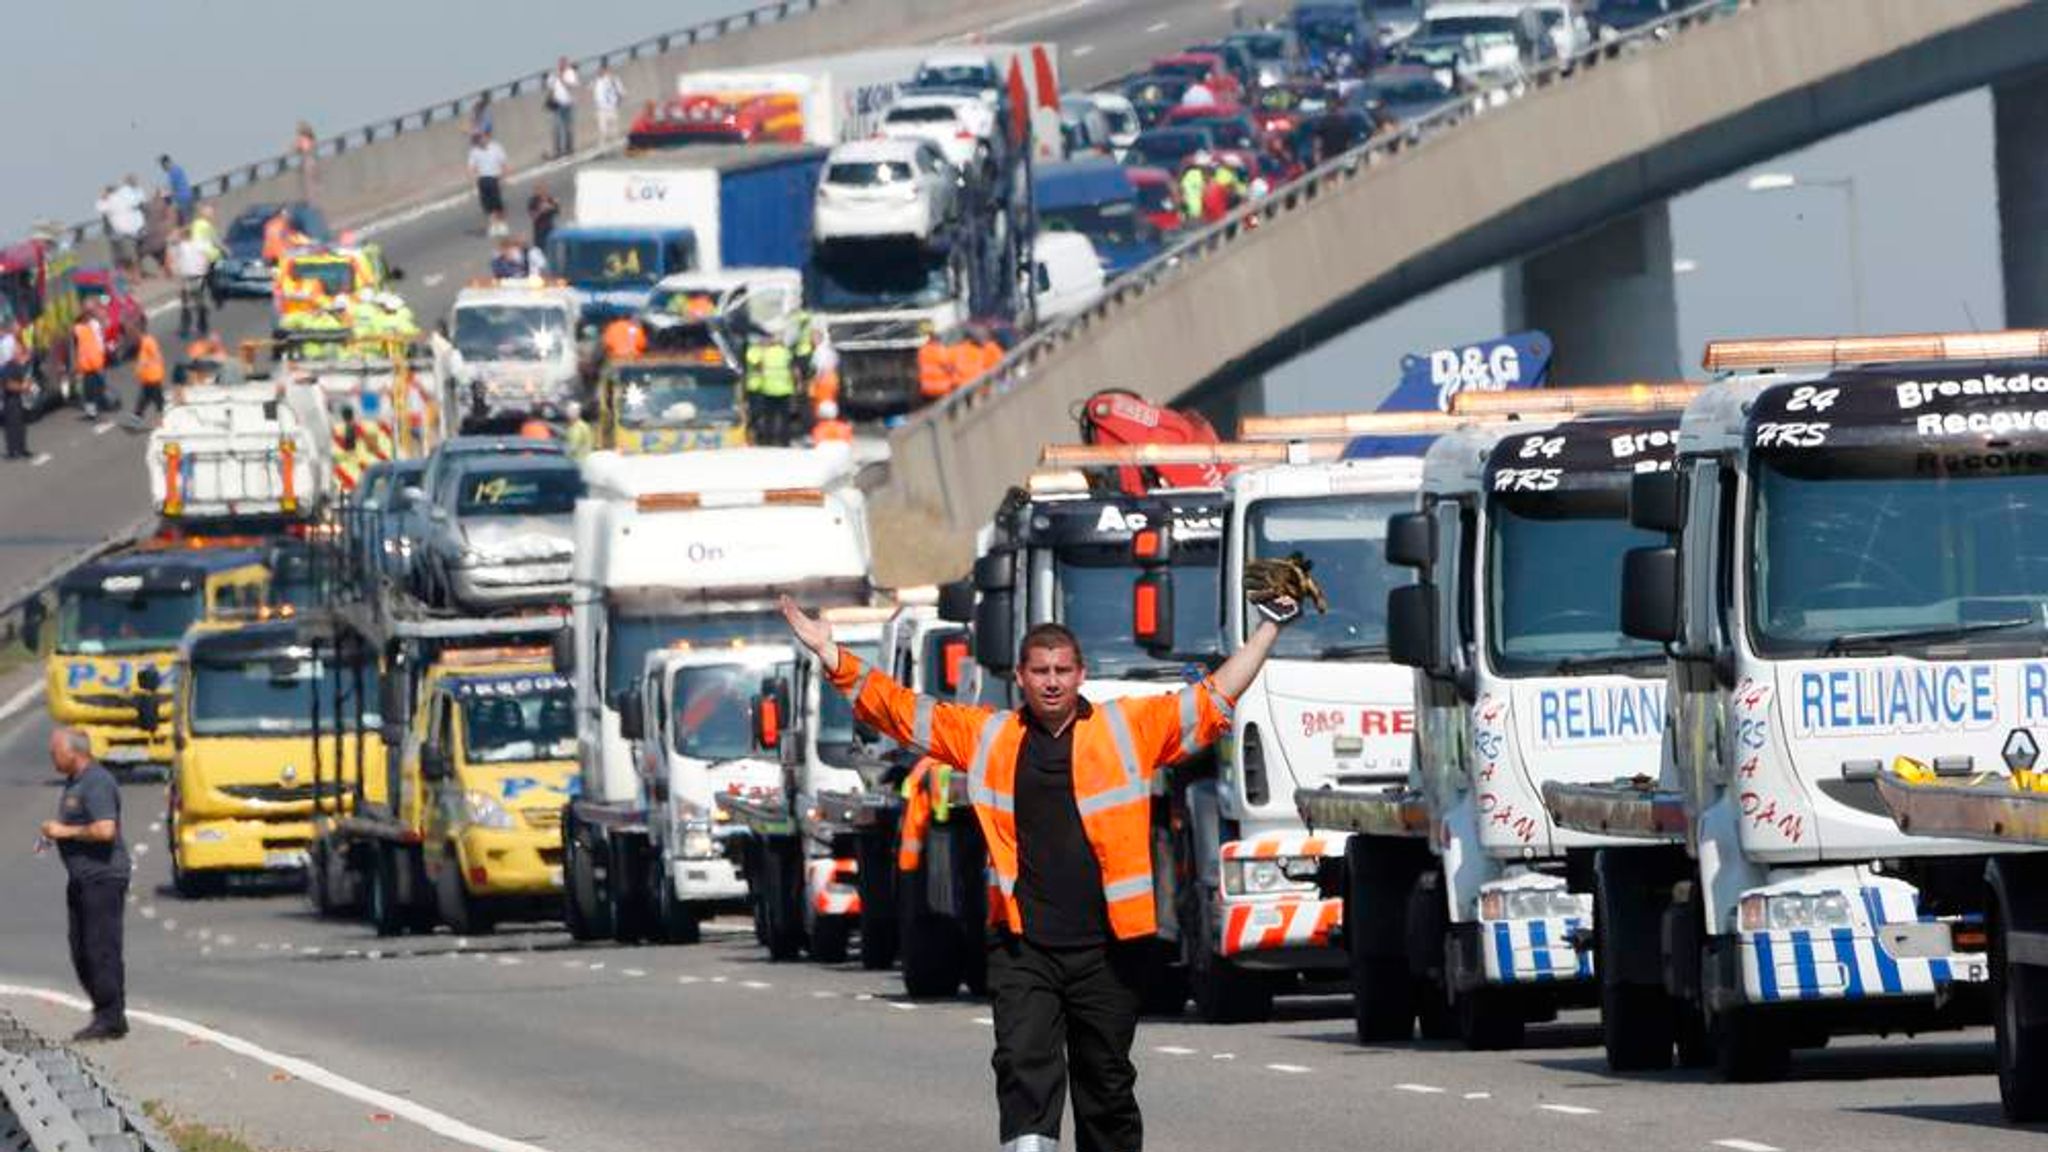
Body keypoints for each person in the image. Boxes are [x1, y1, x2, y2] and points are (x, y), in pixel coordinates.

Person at [776, 587, 1294, 1152]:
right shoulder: (990, 736)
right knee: (1024, 1070)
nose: (1052, 681)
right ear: (1019, 676)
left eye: (1062, 670)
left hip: (1108, 947)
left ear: (1081, 675)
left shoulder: (1127, 728)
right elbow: (899, 711)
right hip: (1025, 947)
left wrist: (1268, 629)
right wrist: (830, 653)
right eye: (1040, 670)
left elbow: (1213, 696)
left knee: (1107, 1087)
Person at [40, 728, 131, 1042]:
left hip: (103, 877)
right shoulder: (74, 783)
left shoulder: (97, 782)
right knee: (80, 950)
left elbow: (105, 830)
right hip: (81, 878)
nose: (52, 756)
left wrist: (63, 832)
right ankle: (105, 1011)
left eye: (55, 751)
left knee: (100, 948)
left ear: (73, 752)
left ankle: (111, 1016)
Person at [744, 330, 796, 446]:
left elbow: (759, 367)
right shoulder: (785, 352)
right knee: (784, 419)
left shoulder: (765, 353)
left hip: (767, 388)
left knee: (769, 418)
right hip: (784, 389)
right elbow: (793, 369)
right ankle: (784, 442)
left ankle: (768, 441)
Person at [168, 227, 212, 339]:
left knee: (188, 304)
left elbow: (174, 260)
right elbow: (207, 257)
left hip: (189, 276)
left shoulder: (181, 247)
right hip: (195, 275)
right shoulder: (199, 244)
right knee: (195, 302)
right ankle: (200, 326)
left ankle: (190, 327)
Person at [97, 181, 145, 274]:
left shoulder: (110, 203)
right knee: (127, 255)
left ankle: (131, 275)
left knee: (122, 257)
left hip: (118, 234)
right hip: (121, 233)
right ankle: (134, 274)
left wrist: (102, 197)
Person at [468, 131, 510, 238]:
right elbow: (471, 168)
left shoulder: (496, 147)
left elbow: (504, 163)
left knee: (498, 204)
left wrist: (504, 178)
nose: (480, 140)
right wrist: (474, 185)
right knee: (488, 205)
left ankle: (502, 225)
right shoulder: (474, 151)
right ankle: (494, 226)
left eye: (481, 138)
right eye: (477, 139)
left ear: (486, 137)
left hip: (495, 178)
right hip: (483, 180)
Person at [73, 303, 109, 418]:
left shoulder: (85, 327)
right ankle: (97, 406)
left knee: (90, 387)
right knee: (95, 384)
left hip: (91, 361)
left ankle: (93, 409)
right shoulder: (91, 325)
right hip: (95, 360)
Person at [1, 322, 29, 460]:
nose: (20, 330)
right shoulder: (8, 342)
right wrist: (22, 387)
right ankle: (13, 451)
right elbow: (7, 383)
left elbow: (24, 353)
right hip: (10, 393)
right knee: (13, 422)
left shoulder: (13, 340)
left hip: (14, 375)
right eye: (18, 328)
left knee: (20, 422)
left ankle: (21, 448)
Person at [546, 57, 580, 159]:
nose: (561, 65)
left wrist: (561, 78)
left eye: (563, 63)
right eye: (560, 63)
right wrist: (551, 98)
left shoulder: (570, 73)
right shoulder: (554, 74)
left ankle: (569, 149)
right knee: (556, 128)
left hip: (567, 103)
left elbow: (572, 85)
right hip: (557, 104)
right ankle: (558, 151)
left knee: (567, 127)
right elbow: (550, 87)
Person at [131, 331, 166, 421]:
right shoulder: (143, 343)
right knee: (147, 396)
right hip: (148, 377)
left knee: (156, 398)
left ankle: (158, 418)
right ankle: (138, 414)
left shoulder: (148, 342)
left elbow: (157, 357)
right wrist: (139, 369)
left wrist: (144, 364)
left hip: (153, 376)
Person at [593, 64, 626, 146]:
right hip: (601, 109)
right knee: (602, 130)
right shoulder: (597, 81)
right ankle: (602, 147)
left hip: (612, 108)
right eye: (599, 71)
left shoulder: (615, 80)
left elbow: (622, 93)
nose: (600, 72)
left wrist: (618, 102)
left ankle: (615, 146)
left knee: (614, 130)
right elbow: (595, 94)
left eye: (602, 70)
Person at [158, 154, 194, 225]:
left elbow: (171, 189)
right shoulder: (177, 169)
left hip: (182, 200)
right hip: (186, 198)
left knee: (184, 223)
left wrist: (164, 195)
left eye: (162, 165)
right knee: (187, 222)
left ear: (167, 163)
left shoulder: (173, 172)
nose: (162, 168)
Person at [527, 184, 561, 250]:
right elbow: (533, 216)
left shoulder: (550, 199)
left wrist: (554, 205)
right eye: (539, 190)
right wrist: (541, 210)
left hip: (550, 227)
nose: (543, 192)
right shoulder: (533, 201)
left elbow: (557, 212)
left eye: (544, 190)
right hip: (539, 230)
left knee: (552, 247)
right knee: (540, 248)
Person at [1179, 158, 1208, 223]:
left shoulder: (1185, 177)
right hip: (1200, 211)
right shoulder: (1201, 175)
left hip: (1191, 211)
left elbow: (1182, 191)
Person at [295, 121, 318, 202]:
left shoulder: (303, 139)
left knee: (308, 186)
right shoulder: (311, 138)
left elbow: (297, 148)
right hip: (310, 160)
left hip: (307, 161)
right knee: (312, 185)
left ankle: (311, 203)